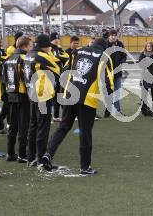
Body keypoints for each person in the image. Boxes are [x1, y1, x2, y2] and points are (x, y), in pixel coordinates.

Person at [41, 38, 114, 174]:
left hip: (70, 95)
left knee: (63, 127)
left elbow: (65, 69)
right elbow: (108, 79)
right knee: (85, 132)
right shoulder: (104, 57)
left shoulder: (77, 51)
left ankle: (47, 154)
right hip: (87, 99)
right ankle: (85, 167)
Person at [23, 34, 60, 167]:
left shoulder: (28, 54)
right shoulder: (42, 55)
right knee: (43, 127)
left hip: (32, 93)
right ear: (46, 46)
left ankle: (30, 157)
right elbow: (57, 69)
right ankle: (41, 159)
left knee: (33, 126)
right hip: (42, 94)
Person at [3, 36, 33, 163]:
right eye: (30, 46)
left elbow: (3, 79)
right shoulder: (24, 58)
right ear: (25, 46)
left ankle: (10, 153)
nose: (31, 48)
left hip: (10, 94)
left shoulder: (8, 59)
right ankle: (22, 154)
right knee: (23, 126)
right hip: (22, 95)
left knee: (13, 125)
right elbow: (27, 78)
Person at [105, 30, 127, 117]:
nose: (113, 37)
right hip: (107, 73)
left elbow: (124, 55)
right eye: (112, 35)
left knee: (117, 92)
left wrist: (121, 62)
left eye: (115, 35)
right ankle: (107, 111)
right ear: (109, 36)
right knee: (108, 93)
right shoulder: (105, 44)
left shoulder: (120, 44)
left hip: (117, 73)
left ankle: (118, 111)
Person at [50, 32, 69, 122]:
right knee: (51, 96)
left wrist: (61, 58)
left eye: (58, 39)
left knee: (58, 95)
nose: (57, 40)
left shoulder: (59, 48)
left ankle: (56, 115)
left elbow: (66, 56)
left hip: (59, 75)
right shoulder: (49, 48)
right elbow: (54, 58)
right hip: (51, 75)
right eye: (55, 39)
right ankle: (50, 116)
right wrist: (61, 58)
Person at [138, 41, 153, 116]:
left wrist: (146, 62)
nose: (149, 47)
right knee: (144, 94)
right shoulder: (142, 53)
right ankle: (144, 110)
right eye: (147, 46)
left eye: (150, 46)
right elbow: (140, 64)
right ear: (145, 47)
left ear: (152, 47)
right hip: (144, 75)